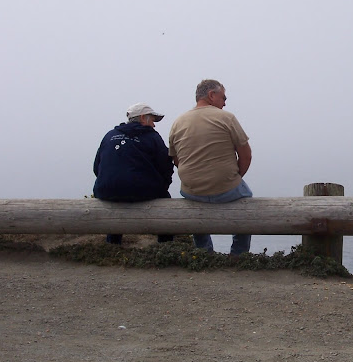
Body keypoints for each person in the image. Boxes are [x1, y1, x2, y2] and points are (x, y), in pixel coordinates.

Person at [169, 79, 253, 256]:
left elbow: (176, 159)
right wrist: (234, 177)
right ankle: (238, 254)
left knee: (195, 207)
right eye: (223, 97)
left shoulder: (178, 122)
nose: (225, 102)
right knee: (248, 201)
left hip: (192, 190)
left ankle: (203, 252)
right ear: (211, 95)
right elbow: (246, 155)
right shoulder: (226, 117)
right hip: (226, 187)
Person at [93, 103, 174, 245]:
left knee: (115, 203)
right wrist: (162, 186)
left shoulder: (110, 135)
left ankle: (112, 244)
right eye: (152, 120)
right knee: (166, 204)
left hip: (106, 190)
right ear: (143, 118)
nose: (154, 125)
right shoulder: (152, 137)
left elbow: (96, 166)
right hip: (141, 190)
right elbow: (166, 166)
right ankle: (165, 246)